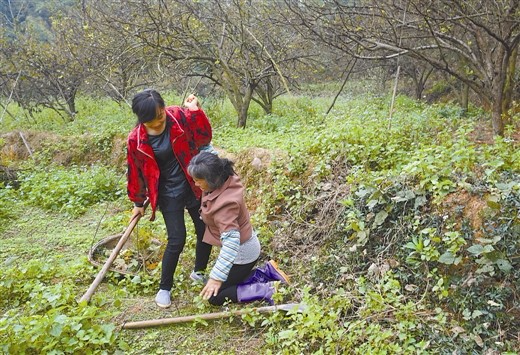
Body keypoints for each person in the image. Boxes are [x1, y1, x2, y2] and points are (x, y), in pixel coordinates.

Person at [126, 89, 213, 308]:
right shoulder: (136, 140)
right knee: (177, 239)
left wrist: (195, 111)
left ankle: (199, 272)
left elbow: (204, 136)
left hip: (191, 183)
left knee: (204, 229)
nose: (157, 123)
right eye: (151, 121)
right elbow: (135, 171)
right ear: (141, 119)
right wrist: (138, 203)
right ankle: (164, 288)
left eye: (160, 116)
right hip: (167, 192)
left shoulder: (177, 116)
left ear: (164, 109)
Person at [187, 151, 290, 306]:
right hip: (246, 244)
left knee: (215, 296)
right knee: (222, 282)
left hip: (242, 253)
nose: (196, 184)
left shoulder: (225, 205)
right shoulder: (223, 179)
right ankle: (266, 272)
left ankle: (266, 289)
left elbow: (231, 243)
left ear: (211, 179)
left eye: (198, 181)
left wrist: (216, 277)